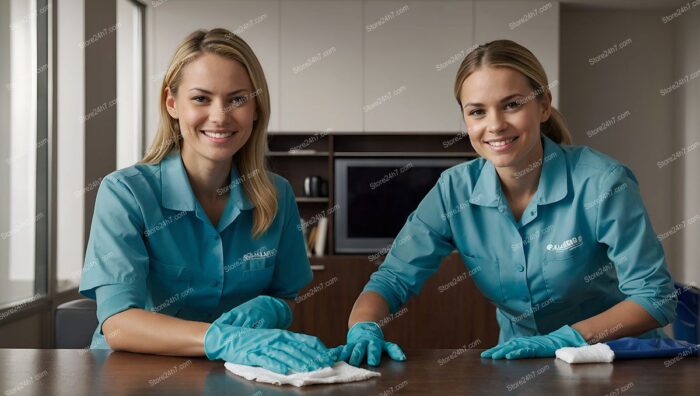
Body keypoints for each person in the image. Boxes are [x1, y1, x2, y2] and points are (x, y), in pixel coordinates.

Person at [334, 40, 677, 365]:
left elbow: (655, 297)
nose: (495, 125)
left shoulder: (602, 182)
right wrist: (364, 327)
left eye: (512, 104)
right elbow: (392, 280)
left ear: (543, 105)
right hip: (520, 365)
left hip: (617, 360)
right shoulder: (454, 191)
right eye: (477, 112)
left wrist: (567, 338)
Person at [79, 28, 334, 374]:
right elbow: (119, 323)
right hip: (134, 375)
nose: (220, 115)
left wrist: (273, 309)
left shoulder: (278, 195)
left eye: (237, 99)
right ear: (172, 103)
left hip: (238, 375)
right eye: (201, 98)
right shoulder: (125, 194)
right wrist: (223, 339)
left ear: (256, 107)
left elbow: (286, 296)